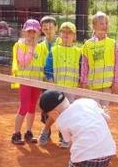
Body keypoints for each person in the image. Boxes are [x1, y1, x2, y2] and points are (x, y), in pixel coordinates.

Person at [10, 19, 49, 145]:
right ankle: (16, 133)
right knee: (24, 106)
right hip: (25, 81)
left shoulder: (42, 47)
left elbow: (45, 62)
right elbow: (23, 62)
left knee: (32, 107)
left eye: (34, 31)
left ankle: (28, 132)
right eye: (29, 31)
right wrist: (31, 48)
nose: (31, 34)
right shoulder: (20, 45)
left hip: (37, 81)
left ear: (38, 32)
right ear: (24, 32)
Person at [44, 21, 81, 148]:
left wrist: (81, 82)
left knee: (67, 114)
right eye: (63, 32)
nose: (66, 34)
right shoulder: (54, 50)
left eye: (69, 32)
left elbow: (81, 68)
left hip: (71, 88)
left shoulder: (78, 52)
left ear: (74, 36)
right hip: (56, 87)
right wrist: (50, 79)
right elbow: (48, 66)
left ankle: (64, 137)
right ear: (59, 34)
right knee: (53, 112)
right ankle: (46, 130)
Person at [81, 11, 118, 102]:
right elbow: (84, 65)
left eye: (106, 23)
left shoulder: (112, 43)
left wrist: (116, 82)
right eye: (102, 23)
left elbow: (116, 65)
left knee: (104, 111)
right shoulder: (87, 45)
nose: (105, 26)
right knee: (94, 110)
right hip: (93, 85)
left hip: (107, 84)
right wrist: (84, 81)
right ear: (94, 26)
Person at [36, 16, 59, 145]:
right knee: (46, 107)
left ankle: (62, 134)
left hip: (60, 80)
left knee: (62, 107)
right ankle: (47, 130)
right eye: (45, 26)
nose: (47, 28)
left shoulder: (62, 42)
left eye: (50, 26)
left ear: (56, 27)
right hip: (45, 80)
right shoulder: (40, 46)